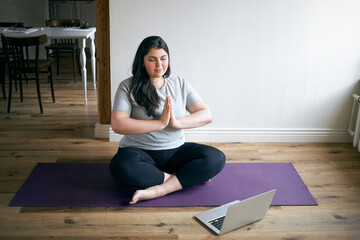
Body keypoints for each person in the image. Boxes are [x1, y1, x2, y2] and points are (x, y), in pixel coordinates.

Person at [109, 36, 226, 204]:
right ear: (142, 61)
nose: (159, 65)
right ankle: (178, 178)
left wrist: (177, 123)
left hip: (175, 151)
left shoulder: (179, 83)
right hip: (139, 152)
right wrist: (159, 124)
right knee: (120, 167)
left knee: (216, 158)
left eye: (163, 59)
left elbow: (206, 114)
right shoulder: (128, 86)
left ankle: (160, 189)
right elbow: (118, 124)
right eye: (152, 59)